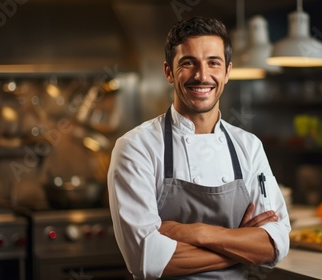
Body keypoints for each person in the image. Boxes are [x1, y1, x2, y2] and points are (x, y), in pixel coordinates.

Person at [107, 16, 291, 279]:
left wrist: (197, 233)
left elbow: (276, 244)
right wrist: (240, 243)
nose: (202, 76)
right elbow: (145, 259)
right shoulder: (136, 148)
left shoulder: (248, 146)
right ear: (169, 72)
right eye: (188, 63)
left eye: (213, 63)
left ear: (227, 72)